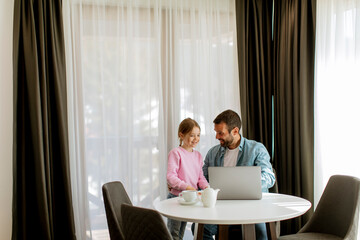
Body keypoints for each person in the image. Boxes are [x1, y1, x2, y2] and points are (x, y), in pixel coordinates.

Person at [193, 109, 275, 240]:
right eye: (216, 132)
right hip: (220, 208)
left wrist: (248, 182)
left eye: (220, 133)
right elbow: (202, 179)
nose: (217, 137)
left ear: (235, 131)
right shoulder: (212, 153)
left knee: (259, 232)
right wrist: (185, 184)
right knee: (200, 227)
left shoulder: (256, 149)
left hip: (251, 208)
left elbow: (270, 177)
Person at [167, 118, 209, 240]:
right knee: (173, 234)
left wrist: (207, 188)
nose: (196, 139)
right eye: (192, 135)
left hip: (190, 199)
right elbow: (170, 177)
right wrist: (187, 187)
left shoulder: (198, 156)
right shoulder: (176, 153)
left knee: (181, 232)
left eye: (198, 135)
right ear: (181, 135)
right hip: (176, 199)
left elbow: (200, 177)